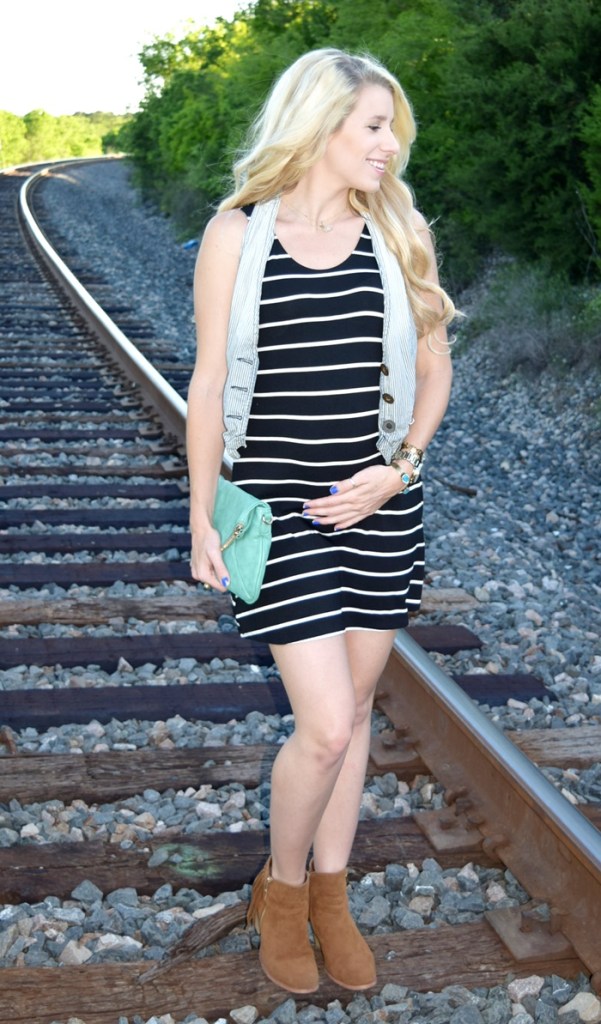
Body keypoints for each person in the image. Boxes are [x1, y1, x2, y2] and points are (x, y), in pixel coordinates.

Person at [187, 48, 455, 995]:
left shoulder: (398, 230)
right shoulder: (237, 234)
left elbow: (434, 370)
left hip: (380, 508)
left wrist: (397, 470)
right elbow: (209, 382)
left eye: (393, 131)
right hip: (277, 513)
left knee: (358, 709)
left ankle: (331, 895)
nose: (389, 147)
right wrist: (200, 512)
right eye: (374, 127)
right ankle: (284, 890)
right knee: (328, 725)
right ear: (318, 125)